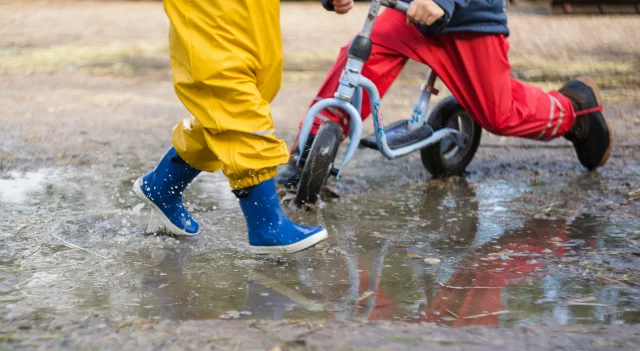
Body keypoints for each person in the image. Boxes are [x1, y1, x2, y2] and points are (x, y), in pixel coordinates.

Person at [278, 0, 613, 188]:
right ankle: (307, 155)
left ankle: (575, 111)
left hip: (468, 19)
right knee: (358, 63)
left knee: (500, 114)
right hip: (407, 11)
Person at [133, 0, 354, 254]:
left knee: (238, 102)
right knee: (235, 103)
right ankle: (266, 226)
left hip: (256, 14)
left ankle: (163, 184)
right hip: (210, 12)